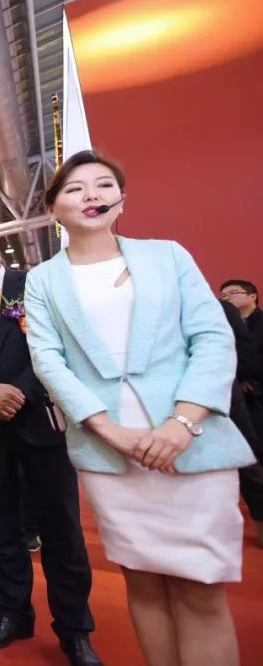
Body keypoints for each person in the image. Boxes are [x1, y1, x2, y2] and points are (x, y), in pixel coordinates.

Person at [24, 150, 255, 666]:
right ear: (53, 208)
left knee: (201, 589)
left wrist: (182, 422)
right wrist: (108, 430)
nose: (92, 195)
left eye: (104, 185)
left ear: (121, 200)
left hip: (191, 442)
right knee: (143, 583)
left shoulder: (167, 256)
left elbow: (212, 338)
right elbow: (49, 361)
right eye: (75, 189)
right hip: (109, 452)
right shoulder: (43, 280)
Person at [0, 224, 100, 665]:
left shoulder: (35, 284)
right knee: (1, 527)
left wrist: (18, 392)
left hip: (39, 420)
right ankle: (13, 613)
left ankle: (75, 629)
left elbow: (54, 343)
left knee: (62, 529)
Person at [218, 299, 263, 547]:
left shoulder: (219, 308)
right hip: (171, 396)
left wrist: (238, 374)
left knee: (246, 459)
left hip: (223, 393)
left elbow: (244, 347)